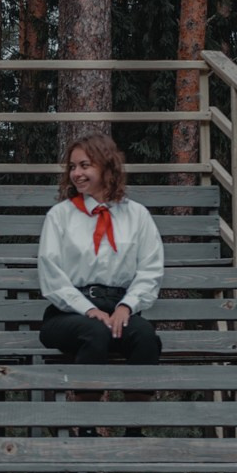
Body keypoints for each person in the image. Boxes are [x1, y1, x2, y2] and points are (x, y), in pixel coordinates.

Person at [36, 133, 164, 366]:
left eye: (85, 165)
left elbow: (150, 269)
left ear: (107, 167)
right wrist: (88, 309)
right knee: (95, 332)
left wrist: (126, 306)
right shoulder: (60, 216)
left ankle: (139, 391)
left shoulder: (137, 215)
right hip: (70, 313)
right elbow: (52, 275)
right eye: (72, 167)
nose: (76, 173)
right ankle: (87, 391)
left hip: (119, 310)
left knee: (145, 336)